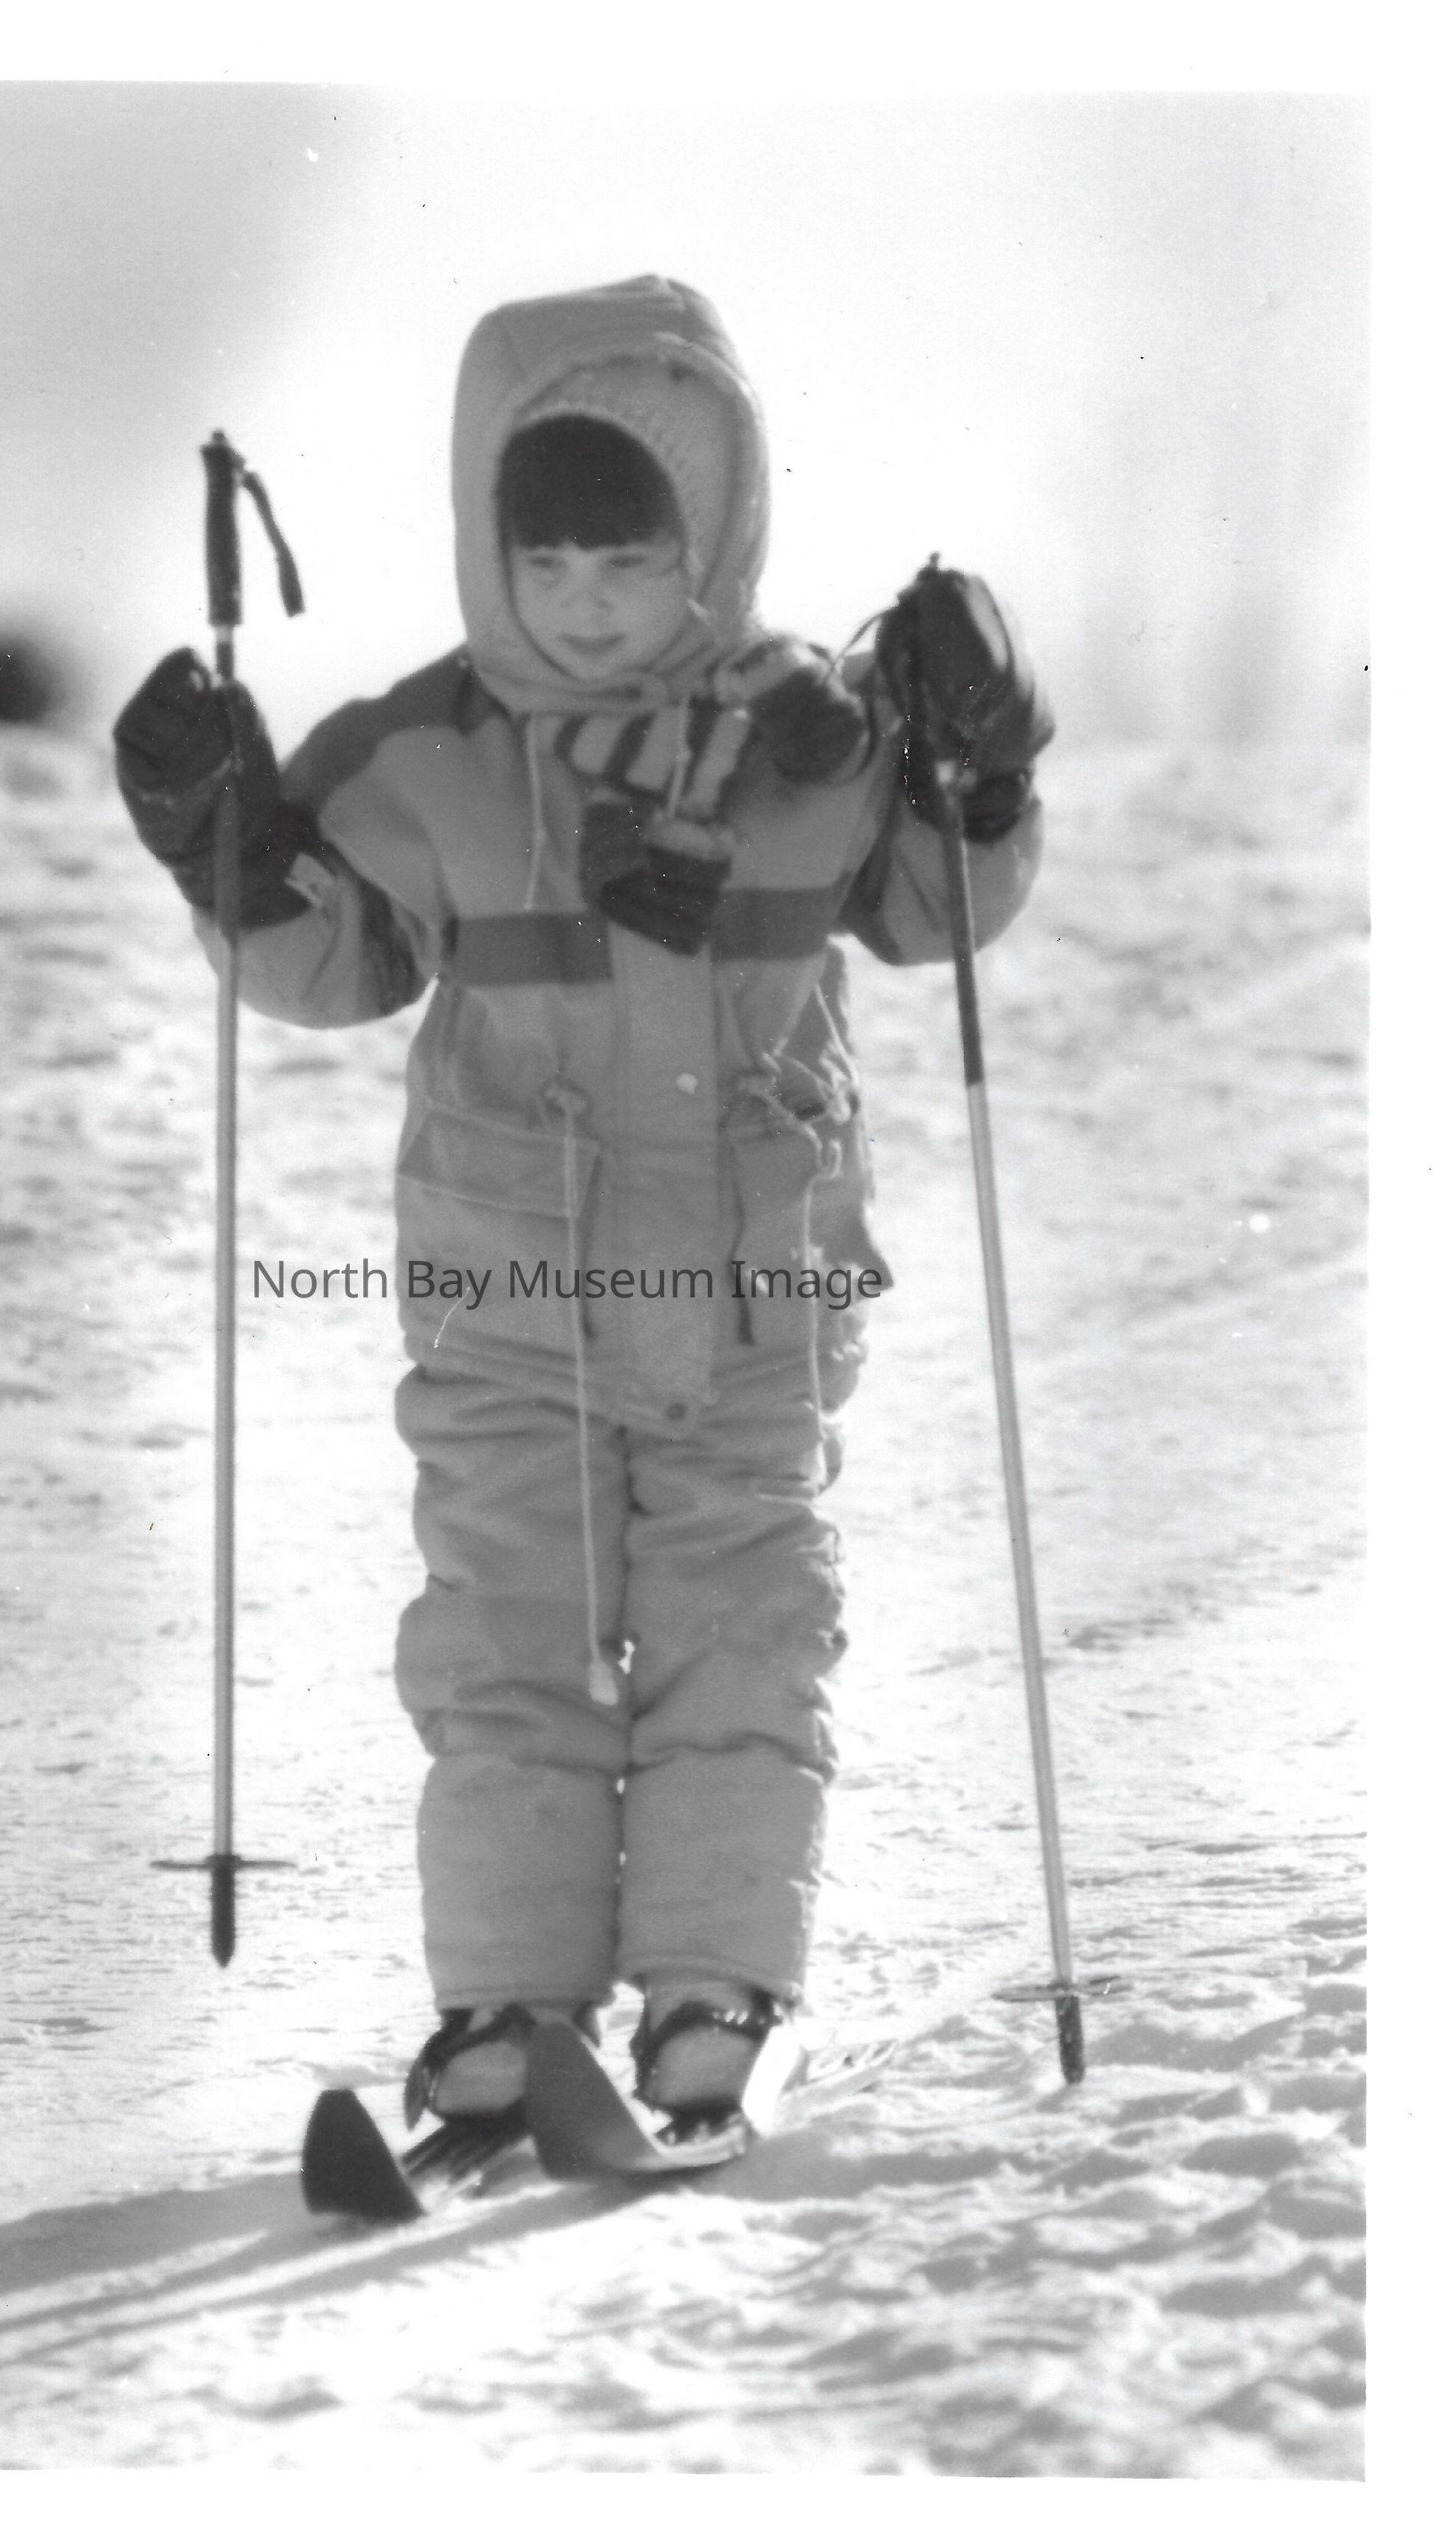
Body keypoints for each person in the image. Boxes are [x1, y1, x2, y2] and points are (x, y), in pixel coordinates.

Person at [114, 275, 1052, 2128]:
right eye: (546, 563)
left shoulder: (818, 740)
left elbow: (936, 909)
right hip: (509, 1306)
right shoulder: (429, 752)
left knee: (741, 1640)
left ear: (712, 538)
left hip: (753, 1305)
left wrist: (983, 768)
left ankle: (717, 1985)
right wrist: (222, 842)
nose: (588, 602)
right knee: (509, 1649)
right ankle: (506, 2006)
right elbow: (329, 960)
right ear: (491, 549)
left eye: (629, 561)